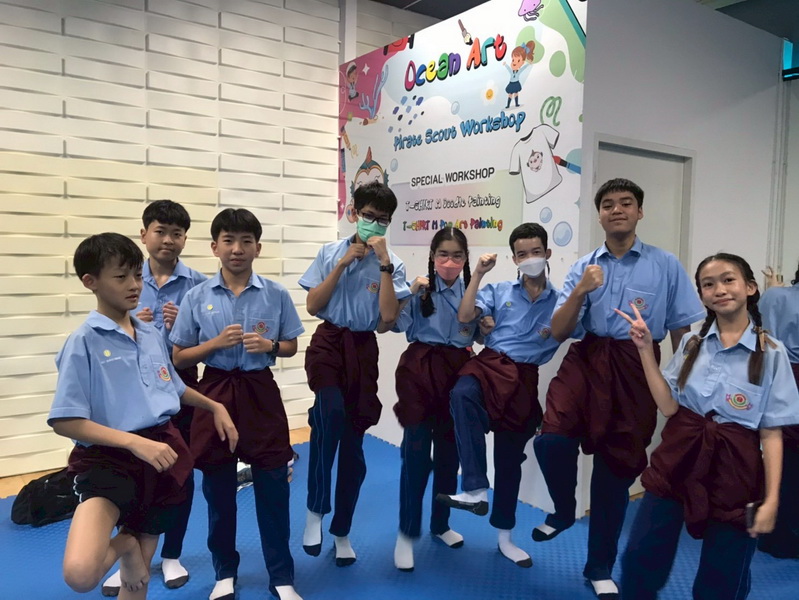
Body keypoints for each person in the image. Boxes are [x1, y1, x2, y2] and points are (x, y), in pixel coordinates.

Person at [532, 178, 705, 599]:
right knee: (551, 440)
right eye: (608, 204)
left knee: (616, 469)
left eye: (626, 203)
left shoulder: (666, 265)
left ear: (639, 212)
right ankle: (564, 510)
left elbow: (681, 330)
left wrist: (683, 384)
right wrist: (581, 289)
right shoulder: (584, 265)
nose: (617, 210)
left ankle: (599, 567)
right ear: (599, 215)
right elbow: (559, 330)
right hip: (588, 358)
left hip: (636, 364)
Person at [48, 233, 237, 600]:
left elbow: (172, 389)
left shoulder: (149, 334)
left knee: (137, 582)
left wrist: (215, 406)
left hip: (162, 455)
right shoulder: (83, 342)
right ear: (90, 282)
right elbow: (65, 420)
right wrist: (134, 443)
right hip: (108, 461)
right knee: (81, 574)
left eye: (137, 275)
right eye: (121, 277)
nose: (134, 285)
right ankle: (126, 545)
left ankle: (135, 554)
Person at [618, 253, 799, 599]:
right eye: (708, 284)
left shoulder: (772, 353)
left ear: (750, 287)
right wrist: (644, 350)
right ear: (701, 295)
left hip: (737, 468)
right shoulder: (692, 343)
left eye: (728, 280)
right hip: (678, 456)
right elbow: (669, 406)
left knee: (722, 578)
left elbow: (772, 432)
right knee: (640, 557)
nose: (719, 289)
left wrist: (772, 500)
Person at [170, 209, 305, 600]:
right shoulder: (197, 296)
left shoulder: (276, 293)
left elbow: (292, 345)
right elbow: (179, 357)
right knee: (218, 489)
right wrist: (214, 344)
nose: (237, 249)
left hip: (260, 391)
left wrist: (270, 346)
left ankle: (281, 576)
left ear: (258, 248)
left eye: (246, 241)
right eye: (228, 240)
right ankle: (224, 573)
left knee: (274, 485)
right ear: (215, 247)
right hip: (214, 391)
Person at [437, 223, 565, 568]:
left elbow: (580, 327)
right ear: (514, 259)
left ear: (547, 253)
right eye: (522, 254)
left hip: (524, 378)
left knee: (509, 462)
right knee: (461, 394)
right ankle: (476, 488)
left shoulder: (561, 301)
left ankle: (505, 538)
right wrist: (478, 273)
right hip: (489, 364)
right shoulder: (499, 290)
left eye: (535, 252)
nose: (529, 258)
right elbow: (466, 315)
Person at [299, 180, 410, 566]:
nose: (374, 224)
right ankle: (315, 510)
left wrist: (383, 264)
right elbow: (313, 305)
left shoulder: (393, 263)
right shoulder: (330, 252)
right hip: (328, 343)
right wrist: (343, 264)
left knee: (353, 447)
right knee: (328, 412)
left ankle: (341, 531)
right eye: (368, 215)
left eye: (382, 219)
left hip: (363, 350)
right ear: (354, 213)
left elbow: (387, 320)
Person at [102, 200, 207, 596]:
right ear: (144, 234)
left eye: (177, 233)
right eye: (160, 231)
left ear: (185, 239)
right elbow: (104, 330)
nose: (168, 240)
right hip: (131, 389)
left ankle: (172, 554)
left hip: (179, 386)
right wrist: (130, 324)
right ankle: (129, 557)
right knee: (131, 472)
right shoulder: (125, 279)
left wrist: (185, 329)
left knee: (181, 473)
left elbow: (208, 341)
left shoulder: (198, 284)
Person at [391, 227, 479, 571]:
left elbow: (483, 334)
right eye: (443, 254)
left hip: (457, 373)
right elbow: (393, 324)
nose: (449, 262)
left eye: (457, 255)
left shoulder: (472, 291)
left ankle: (440, 524)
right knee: (415, 453)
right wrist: (407, 292)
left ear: (466, 259)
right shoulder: (420, 289)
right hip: (419, 370)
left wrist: (487, 322)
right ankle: (406, 533)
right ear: (432, 256)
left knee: (449, 454)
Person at [755, 259, 799, 559]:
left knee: (782, 455)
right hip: (790, 374)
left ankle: (773, 533)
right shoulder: (778, 295)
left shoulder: (776, 296)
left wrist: (773, 290)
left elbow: (762, 332)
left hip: (777, 375)